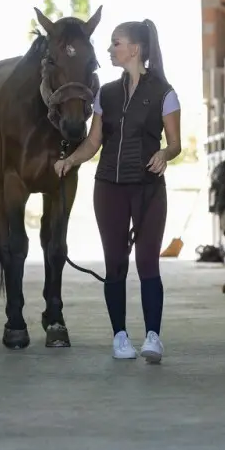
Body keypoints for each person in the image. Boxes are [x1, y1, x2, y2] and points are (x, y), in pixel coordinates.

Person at [54, 19, 182, 363]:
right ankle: (120, 337)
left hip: (148, 189)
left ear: (135, 49)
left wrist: (163, 154)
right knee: (115, 265)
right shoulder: (105, 94)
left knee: (146, 262)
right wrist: (70, 160)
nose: (110, 50)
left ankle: (153, 337)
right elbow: (93, 142)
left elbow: (175, 145)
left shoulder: (164, 94)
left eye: (116, 43)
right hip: (109, 187)